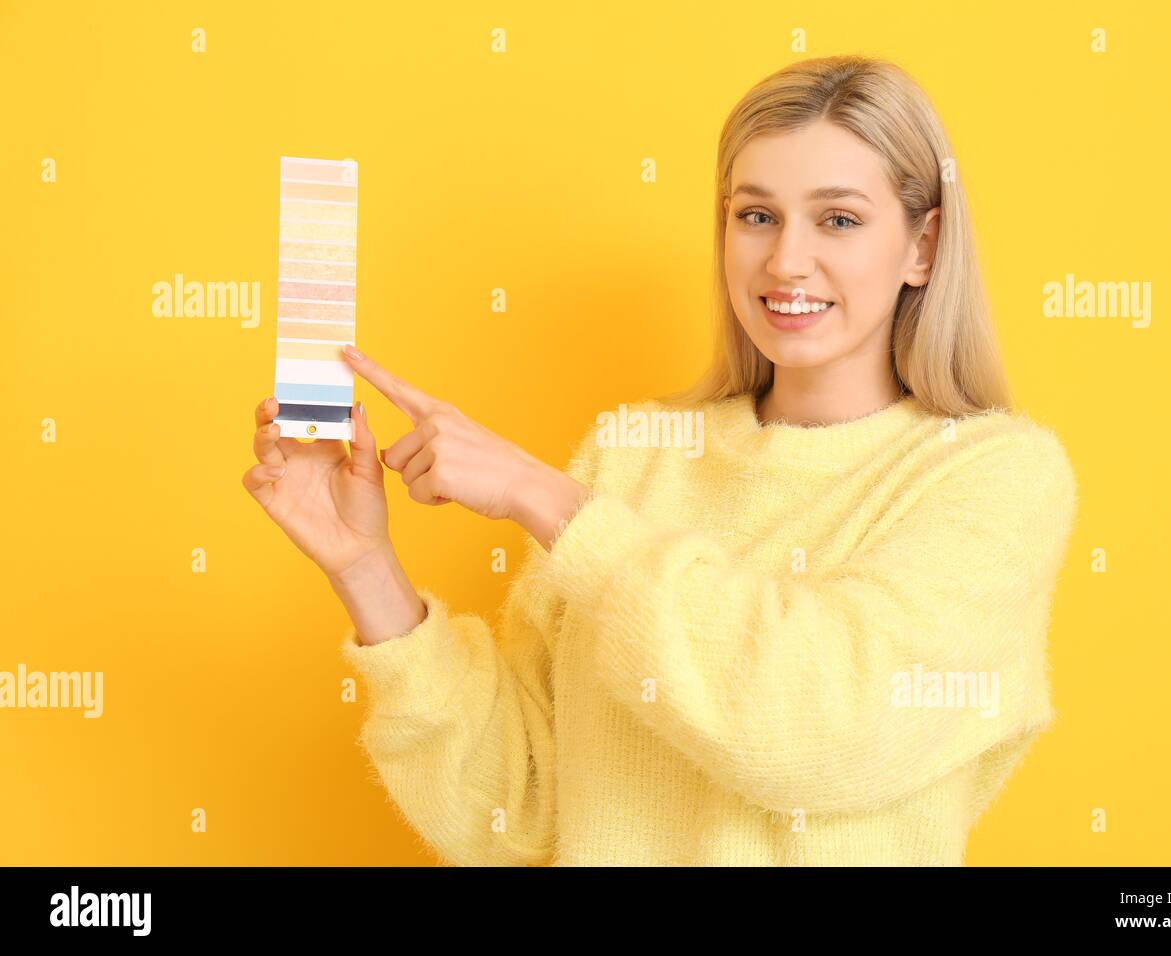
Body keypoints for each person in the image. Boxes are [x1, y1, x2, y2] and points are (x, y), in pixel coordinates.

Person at [242, 55, 1079, 866]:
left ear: (923, 247)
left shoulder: (993, 476)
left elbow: (818, 729)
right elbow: (514, 816)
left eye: (839, 219)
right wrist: (366, 569)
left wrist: (550, 503)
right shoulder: (631, 458)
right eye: (756, 215)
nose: (785, 260)